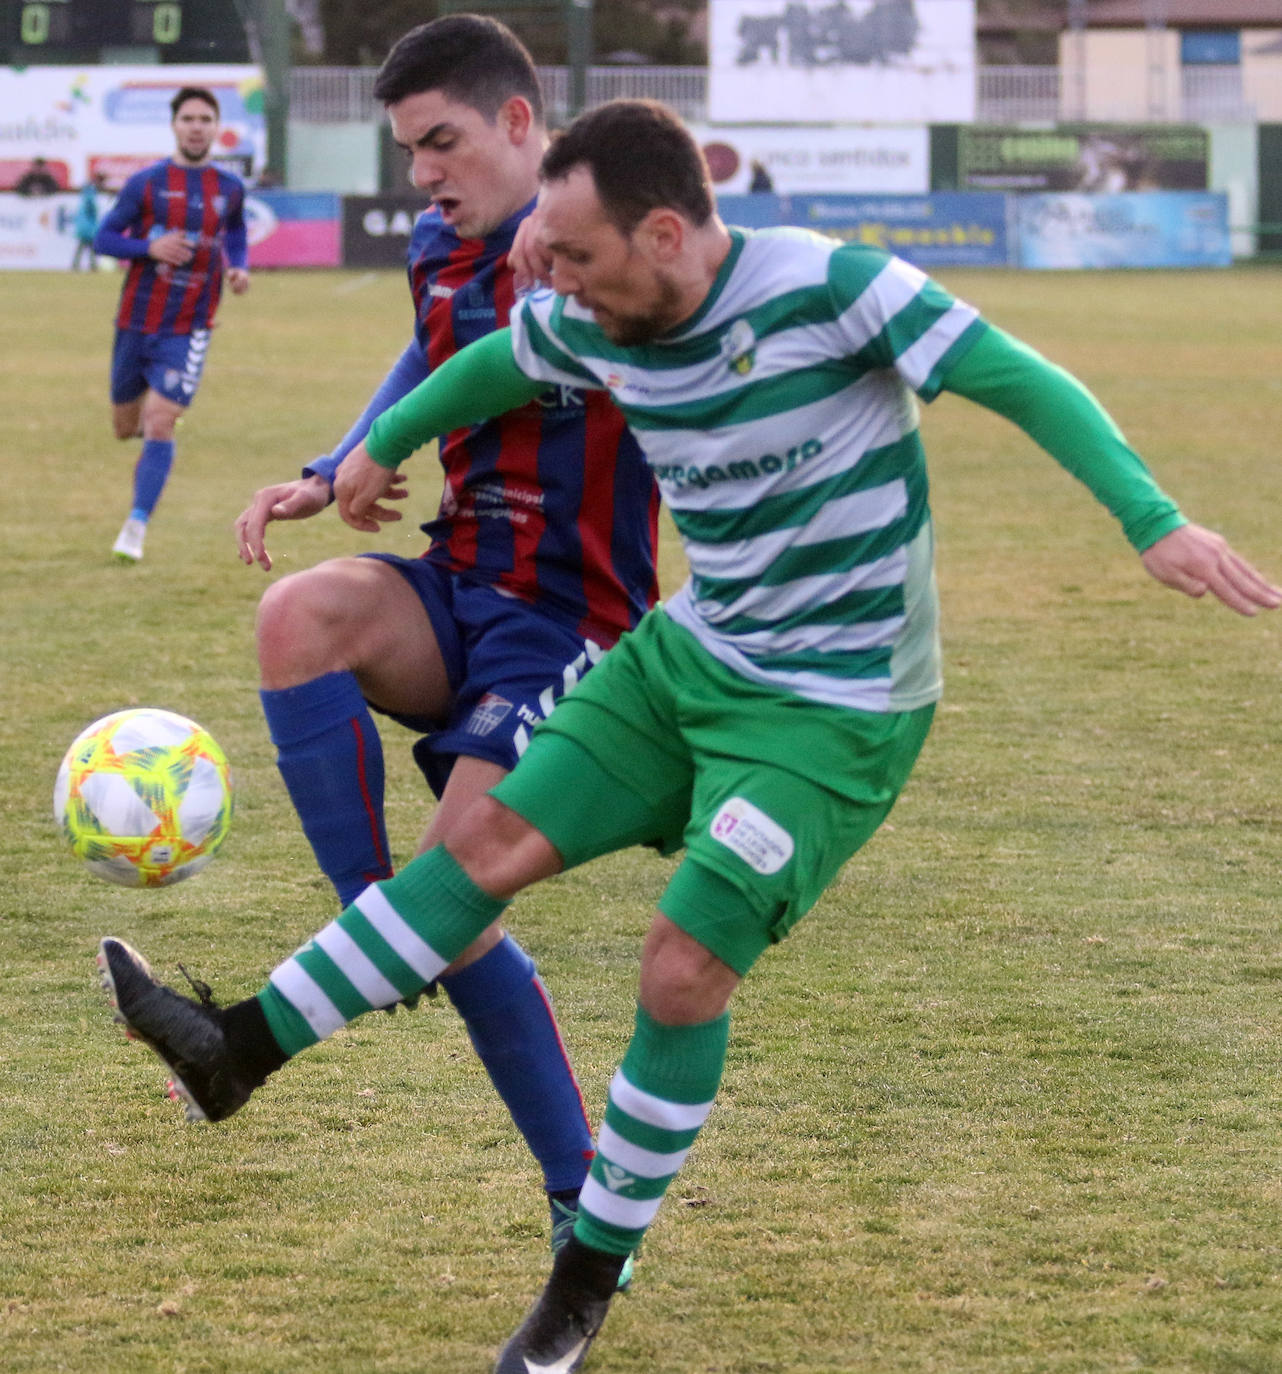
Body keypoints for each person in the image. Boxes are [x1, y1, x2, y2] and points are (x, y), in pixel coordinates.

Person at [98, 98, 1281, 1373]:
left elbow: (1020, 379)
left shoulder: (836, 290)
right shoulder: (590, 312)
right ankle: (235, 1052)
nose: (559, 289)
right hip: (686, 664)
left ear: (665, 232)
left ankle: (583, 1277)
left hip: (834, 711)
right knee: (478, 845)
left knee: (678, 968)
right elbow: (494, 361)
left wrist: (1150, 519)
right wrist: (369, 452)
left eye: (580, 258)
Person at [230, 17, 658, 1260]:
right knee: (295, 612)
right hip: (457, 580)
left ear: (521, 125)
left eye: (442, 142)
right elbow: (427, 355)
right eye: (409, 148)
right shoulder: (440, 242)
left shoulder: (604, 247)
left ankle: (584, 1201)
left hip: (572, 620)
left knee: (460, 891)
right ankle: (376, 926)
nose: (422, 171)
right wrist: (336, 465)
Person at [93, 86, 249, 563]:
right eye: (188, 118)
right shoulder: (146, 183)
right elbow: (103, 238)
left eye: (205, 118)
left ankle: (135, 527)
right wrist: (149, 248)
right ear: (175, 125)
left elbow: (237, 229)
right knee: (126, 427)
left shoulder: (229, 188)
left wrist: (238, 264)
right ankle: (152, 446)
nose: (196, 126)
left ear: (215, 126)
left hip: (190, 326)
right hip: (135, 321)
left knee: (160, 420)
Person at [71, 172, 106, 271]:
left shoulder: (87, 191)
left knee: (83, 247)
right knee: (89, 246)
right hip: (88, 225)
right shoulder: (91, 193)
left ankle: (77, 265)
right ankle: (91, 265)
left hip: (85, 224)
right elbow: (91, 208)